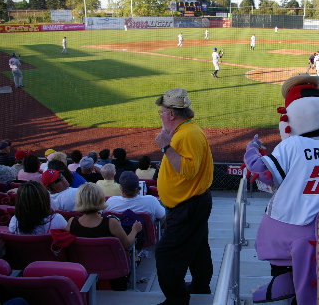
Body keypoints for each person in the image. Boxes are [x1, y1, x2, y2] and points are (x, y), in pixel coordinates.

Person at [244, 74, 319, 304]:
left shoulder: (293, 144)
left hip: (290, 224)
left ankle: (281, 288)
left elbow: (262, 170)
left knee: (286, 269)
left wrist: (251, 149)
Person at [154, 88, 214, 304]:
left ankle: (176, 300)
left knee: (166, 254)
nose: (160, 115)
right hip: (192, 203)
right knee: (197, 247)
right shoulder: (186, 130)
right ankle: (200, 285)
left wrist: (165, 147)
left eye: (162, 111)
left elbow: (188, 170)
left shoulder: (188, 134)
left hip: (186, 206)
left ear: (171, 113)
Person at [66, 182, 142, 249]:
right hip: (110, 264)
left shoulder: (71, 222)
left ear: (79, 200)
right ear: (101, 199)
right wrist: (134, 230)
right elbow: (127, 244)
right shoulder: (111, 223)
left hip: (81, 264)